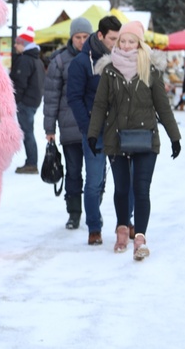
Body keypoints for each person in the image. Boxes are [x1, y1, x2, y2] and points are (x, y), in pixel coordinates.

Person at [87, 21, 181, 261]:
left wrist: (174, 137)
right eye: (123, 40)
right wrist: (92, 133)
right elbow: (100, 105)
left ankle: (139, 236)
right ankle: (121, 229)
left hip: (145, 139)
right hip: (116, 139)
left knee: (141, 189)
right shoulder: (109, 70)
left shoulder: (150, 69)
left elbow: (163, 107)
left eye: (132, 41)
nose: (127, 45)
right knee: (121, 188)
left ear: (139, 43)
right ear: (117, 42)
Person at [67, 15, 122, 245]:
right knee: (94, 182)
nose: (116, 43)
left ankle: (125, 224)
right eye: (112, 39)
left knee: (123, 181)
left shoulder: (121, 58)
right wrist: (88, 129)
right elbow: (74, 98)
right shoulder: (81, 62)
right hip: (94, 131)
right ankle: (94, 227)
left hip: (118, 130)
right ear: (100, 36)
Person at [43, 17, 92, 229]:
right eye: (78, 37)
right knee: (73, 171)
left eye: (85, 37)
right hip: (69, 126)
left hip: (94, 125)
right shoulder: (60, 61)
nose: (81, 41)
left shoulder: (98, 58)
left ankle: (93, 205)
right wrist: (49, 128)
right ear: (71, 37)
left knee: (95, 172)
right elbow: (51, 97)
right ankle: (74, 212)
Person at [10, 25, 45, 174]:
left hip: (26, 102)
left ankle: (31, 163)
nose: (15, 46)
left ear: (23, 44)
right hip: (33, 101)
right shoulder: (36, 59)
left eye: (17, 43)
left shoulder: (25, 60)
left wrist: (15, 101)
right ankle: (31, 162)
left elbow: (20, 83)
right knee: (28, 132)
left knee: (27, 133)